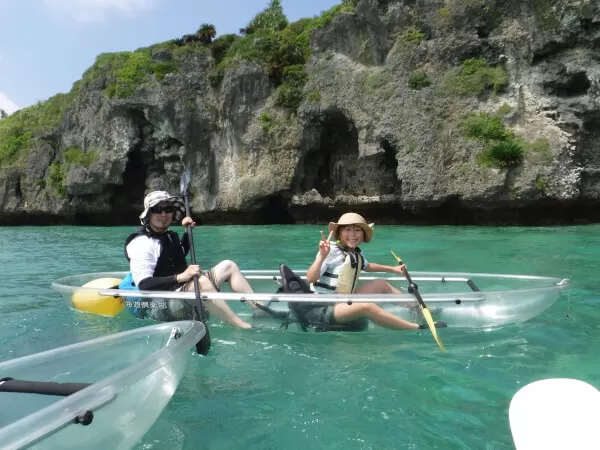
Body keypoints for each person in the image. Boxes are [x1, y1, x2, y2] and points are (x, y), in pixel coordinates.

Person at [123, 190, 262, 328]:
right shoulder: (142, 243)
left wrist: (187, 232)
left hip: (180, 291)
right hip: (160, 305)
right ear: (149, 214)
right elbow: (144, 284)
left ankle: (261, 310)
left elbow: (177, 255)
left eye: (168, 209)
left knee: (228, 266)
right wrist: (180, 277)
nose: (163, 214)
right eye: (157, 209)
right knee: (201, 283)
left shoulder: (169, 235)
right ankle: (241, 326)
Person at [303, 212, 447, 332]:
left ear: (363, 234)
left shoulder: (355, 253)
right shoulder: (330, 251)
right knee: (368, 306)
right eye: (347, 229)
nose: (353, 234)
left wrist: (392, 269)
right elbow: (310, 278)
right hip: (322, 309)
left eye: (357, 230)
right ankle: (416, 327)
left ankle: (418, 309)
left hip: (342, 300)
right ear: (339, 233)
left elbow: (368, 266)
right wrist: (321, 256)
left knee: (381, 284)